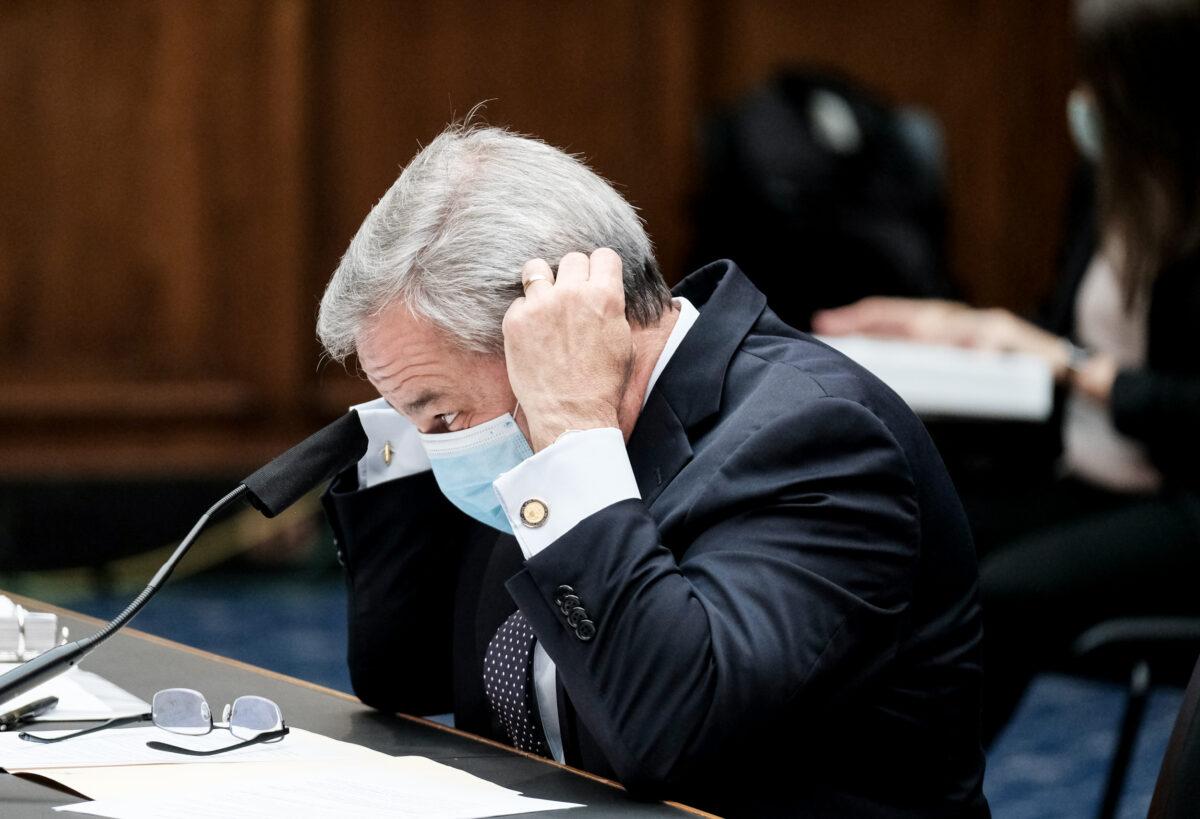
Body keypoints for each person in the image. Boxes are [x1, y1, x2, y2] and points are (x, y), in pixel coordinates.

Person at [316, 123, 989, 816]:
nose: (440, 445)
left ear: (549, 330)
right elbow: (406, 676)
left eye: (443, 417)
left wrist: (572, 436)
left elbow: (671, 733)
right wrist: (411, 415)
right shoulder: (534, 430)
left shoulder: (817, 437)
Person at [814, 0, 1200, 743]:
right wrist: (955, 329)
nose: (1082, 97)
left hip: (1184, 503)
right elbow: (1062, 333)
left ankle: (935, 781)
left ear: (1159, 88)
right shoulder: (1112, 183)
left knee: (998, 591)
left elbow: (1168, 396)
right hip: (1088, 481)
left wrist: (1069, 364)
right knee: (901, 528)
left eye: (1103, 78)